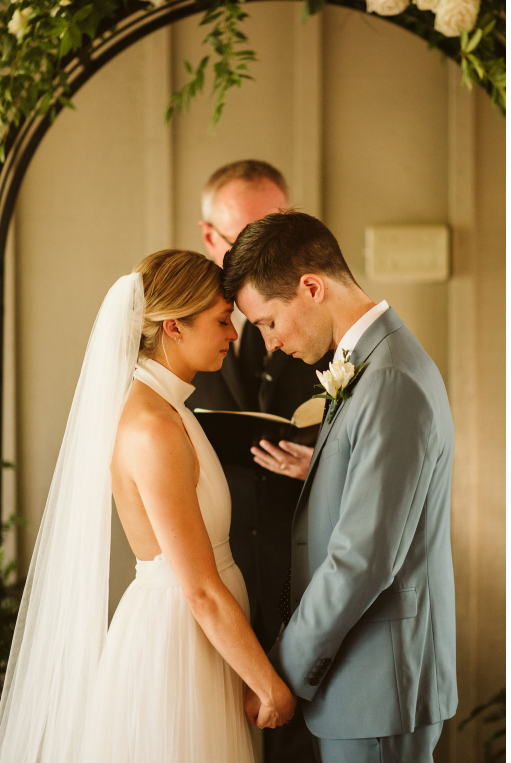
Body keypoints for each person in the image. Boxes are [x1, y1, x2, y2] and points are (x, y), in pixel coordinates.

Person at [0, 251, 294, 762]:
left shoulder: (170, 407)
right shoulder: (152, 428)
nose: (233, 334)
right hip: (178, 643)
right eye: (223, 320)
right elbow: (199, 588)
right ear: (174, 326)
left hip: (205, 637)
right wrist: (269, 684)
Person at [222, 211, 458, 763]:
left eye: (267, 322)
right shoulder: (371, 363)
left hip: (377, 684)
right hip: (364, 683)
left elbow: (363, 558)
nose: (270, 343)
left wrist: (277, 672)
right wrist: (327, 468)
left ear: (311, 287)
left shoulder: (390, 378)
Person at [191, 160, 327, 762]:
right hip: (212, 592)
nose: (258, 250)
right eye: (242, 236)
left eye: (272, 229)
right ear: (209, 238)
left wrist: (319, 467)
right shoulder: (176, 332)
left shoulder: (323, 320)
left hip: (307, 589)